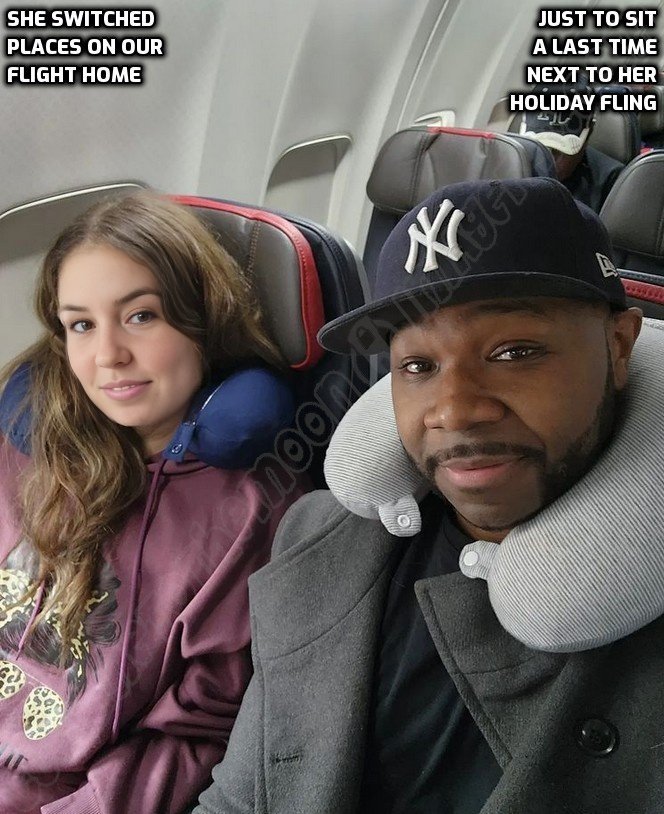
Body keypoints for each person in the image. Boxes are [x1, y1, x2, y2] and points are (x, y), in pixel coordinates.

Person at [192, 177, 656, 814]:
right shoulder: (314, 539)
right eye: (417, 367)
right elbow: (240, 797)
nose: (454, 411)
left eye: (513, 352)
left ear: (619, 345)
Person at [0, 191, 305, 814]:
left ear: (204, 320)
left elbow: (195, 735)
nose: (108, 355)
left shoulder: (251, 511)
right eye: (81, 324)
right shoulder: (25, 450)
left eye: (141, 316)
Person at [520, 82, 624, 213]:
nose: (548, 161)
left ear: (588, 135)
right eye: (541, 149)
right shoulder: (514, 167)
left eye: (558, 151)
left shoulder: (610, 180)